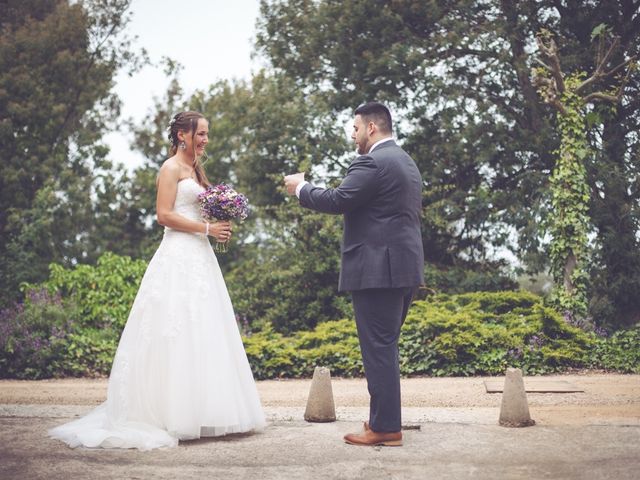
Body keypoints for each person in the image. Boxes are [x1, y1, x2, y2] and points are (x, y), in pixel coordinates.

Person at [49, 111, 266, 450]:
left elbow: (195, 211)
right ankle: (172, 414)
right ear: (182, 134)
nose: (206, 140)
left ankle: (205, 410)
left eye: (207, 134)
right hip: (177, 255)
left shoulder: (196, 170)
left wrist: (221, 218)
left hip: (200, 256)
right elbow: (164, 215)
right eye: (201, 134)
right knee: (175, 328)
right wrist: (207, 228)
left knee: (205, 328)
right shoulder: (170, 169)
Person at [284, 102, 424, 447]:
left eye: (355, 127)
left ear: (371, 128)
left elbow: (338, 199)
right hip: (404, 268)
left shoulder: (372, 161)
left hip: (377, 271)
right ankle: (383, 420)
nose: (353, 133)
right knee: (385, 346)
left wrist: (301, 188)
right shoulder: (405, 161)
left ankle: (386, 429)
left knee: (378, 348)